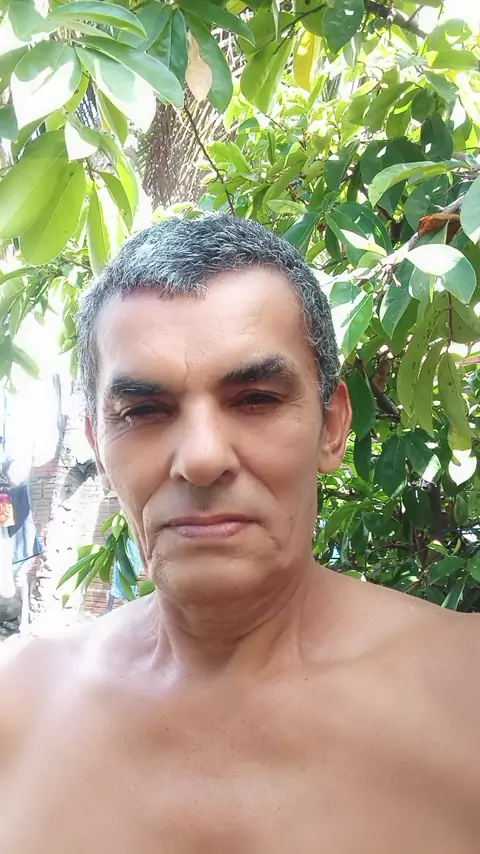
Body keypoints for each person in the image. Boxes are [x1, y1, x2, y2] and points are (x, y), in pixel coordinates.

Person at [1, 214, 479, 854]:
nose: (201, 459)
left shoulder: (464, 694)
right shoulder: (18, 710)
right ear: (97, 444)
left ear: (333, 426)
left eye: (256, 399)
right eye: (144, 410)